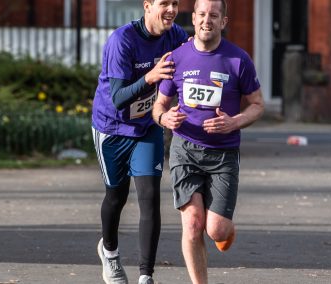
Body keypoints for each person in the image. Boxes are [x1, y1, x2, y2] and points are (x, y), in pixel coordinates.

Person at [152, 0, 264, 283]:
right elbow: (159, 105)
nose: (207, 20)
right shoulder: (176, 57)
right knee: (192, 225)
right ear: (194, 18)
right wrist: (164, 118)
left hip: (222, 154)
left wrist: (233, 122)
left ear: (223, 22)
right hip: (185, 149)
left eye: (214, 15)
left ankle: (225, 228)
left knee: (216, 230)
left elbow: (257, 104)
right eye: (202, 14)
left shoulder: (238, 60)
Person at [91, 0, 188, 283]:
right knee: (116, 196)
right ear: (147, 6)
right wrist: (151, 77)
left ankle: (146, 276)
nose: (171, 9)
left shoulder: (176, 36)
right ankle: (109, 253)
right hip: (112, 127)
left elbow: (189, 68)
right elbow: (119, 99)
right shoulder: (122, 40)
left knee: (149, 198)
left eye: (175, 3)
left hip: (147, 127)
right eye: (164, 3)